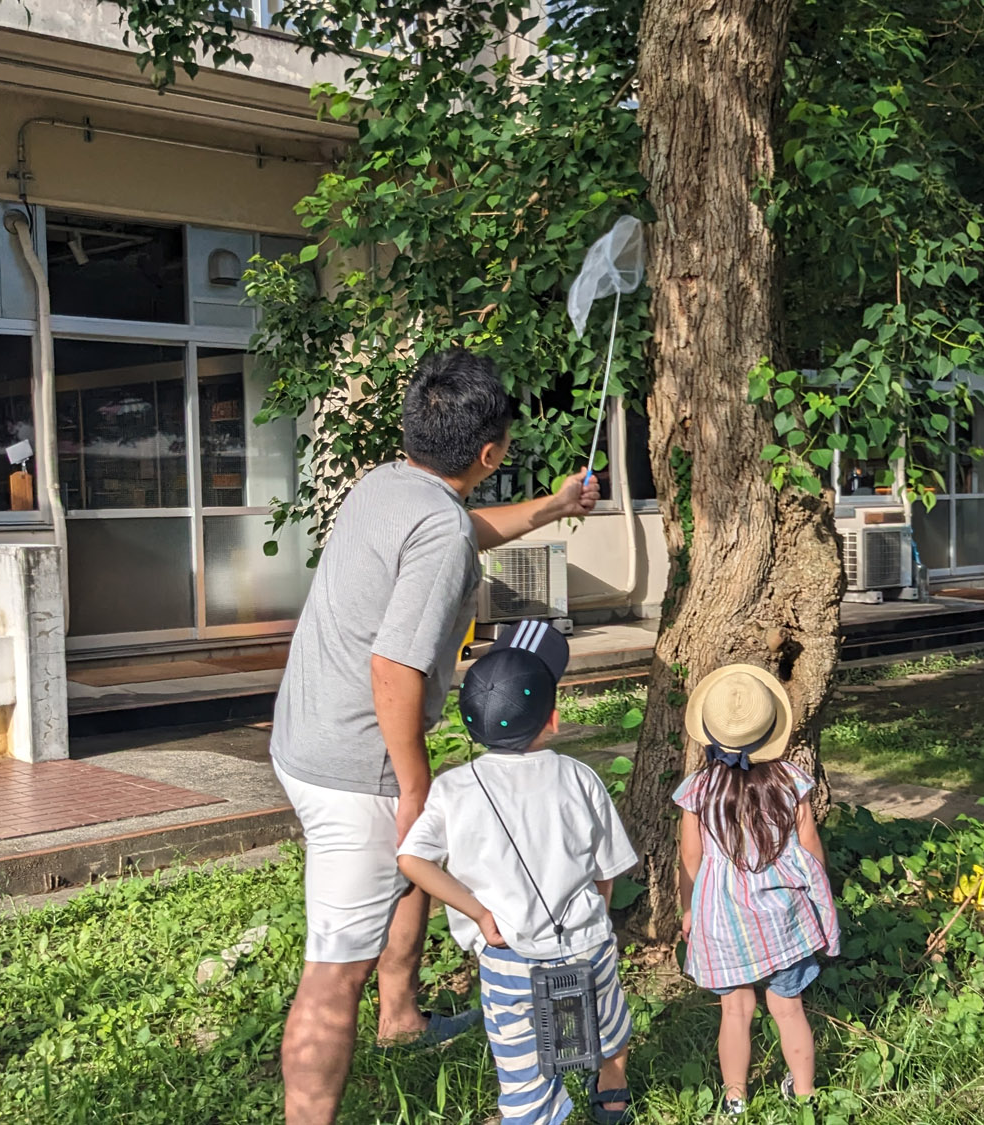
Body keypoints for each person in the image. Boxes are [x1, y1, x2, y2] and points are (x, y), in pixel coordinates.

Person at [268, 347, 598, 1125]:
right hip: (354, 766)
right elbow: (394, 668)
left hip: (304, 730)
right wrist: (412, 786)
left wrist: (554, 506)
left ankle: (402, 1015)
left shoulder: (388, 485)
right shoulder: (439, 530)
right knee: (331, 973)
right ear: (490, 453)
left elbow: (460, 528)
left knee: (423, 860)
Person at [397, 621, 639, 1125]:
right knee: (611, 1028)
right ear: (552, 719)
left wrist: (481, 914)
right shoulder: (579, 776)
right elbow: (606, 870)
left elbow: (412, 859)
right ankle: (611, 1088)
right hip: (586, 944)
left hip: (509, 958)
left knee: (522, 1066)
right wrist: (592, 913)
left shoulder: (454, 789)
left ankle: (532, 1114)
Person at [674, 665, 841, 1116]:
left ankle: (734, 1099)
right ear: (771, 730)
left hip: (724, 920)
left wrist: (688, 908)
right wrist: (816, 896)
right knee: (789, 1010)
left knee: (735, 1012)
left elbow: (690, 858)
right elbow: (809, 848)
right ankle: (805, 1094)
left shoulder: (698, 790)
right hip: (783, 914)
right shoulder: (790, 781)